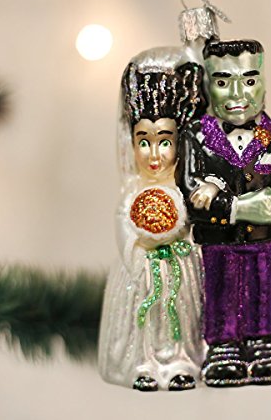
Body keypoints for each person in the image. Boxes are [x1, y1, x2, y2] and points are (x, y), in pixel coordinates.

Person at [176, 39, 271, 387]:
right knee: (221, 289)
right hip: (217, 242)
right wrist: (237, 208)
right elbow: (190, 196)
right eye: (223, 82)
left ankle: (264, 342)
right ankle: (223, 346)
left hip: (266, 243)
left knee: (264, 288)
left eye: (249, 80)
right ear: (208, 86)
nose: (237, 94)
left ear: (263, 81)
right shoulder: (195, 138)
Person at [98, 59, 206, 392]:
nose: (154, 154)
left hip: (179, 266)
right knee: (143, 317)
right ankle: (142, 363)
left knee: (179, 316)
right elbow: (123, 222)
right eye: (144, 142)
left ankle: (181, 362)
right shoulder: (132, 191)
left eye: (164, 141)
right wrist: (137, 253)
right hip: (142, 267)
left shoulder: (184, 187)